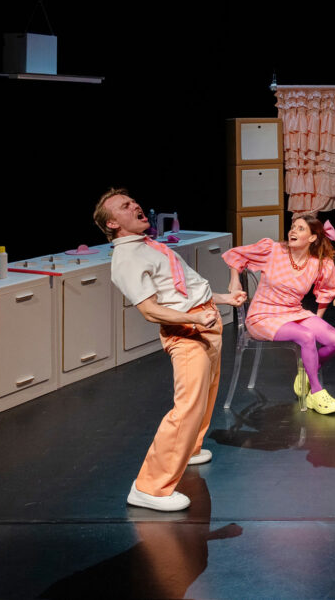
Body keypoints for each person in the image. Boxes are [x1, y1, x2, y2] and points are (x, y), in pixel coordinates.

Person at [93, 188, 247, 512]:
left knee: (205, 397)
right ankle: (149, 488)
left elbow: (184, 289)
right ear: (112, 224)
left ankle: (189, 449)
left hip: (204, 322)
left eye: (132, 201)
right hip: (186, 332)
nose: (135, 205)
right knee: (187, 407)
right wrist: (194, 319)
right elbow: (150, 310)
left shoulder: (149, 246)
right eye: (125, 206)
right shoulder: (127, 259)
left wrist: (223, 299)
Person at [223, 213, 335, 414]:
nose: (293, 231)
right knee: (306, 336)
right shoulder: (273, 250)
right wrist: (235, 280)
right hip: (263, 315)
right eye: (293, 227)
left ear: (312, 237)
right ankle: (316, 392)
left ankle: (307, 373)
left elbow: (326, 292)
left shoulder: (319, 263)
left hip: (293, 312)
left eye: (300, 228)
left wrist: (317, 320)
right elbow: (236, 255)